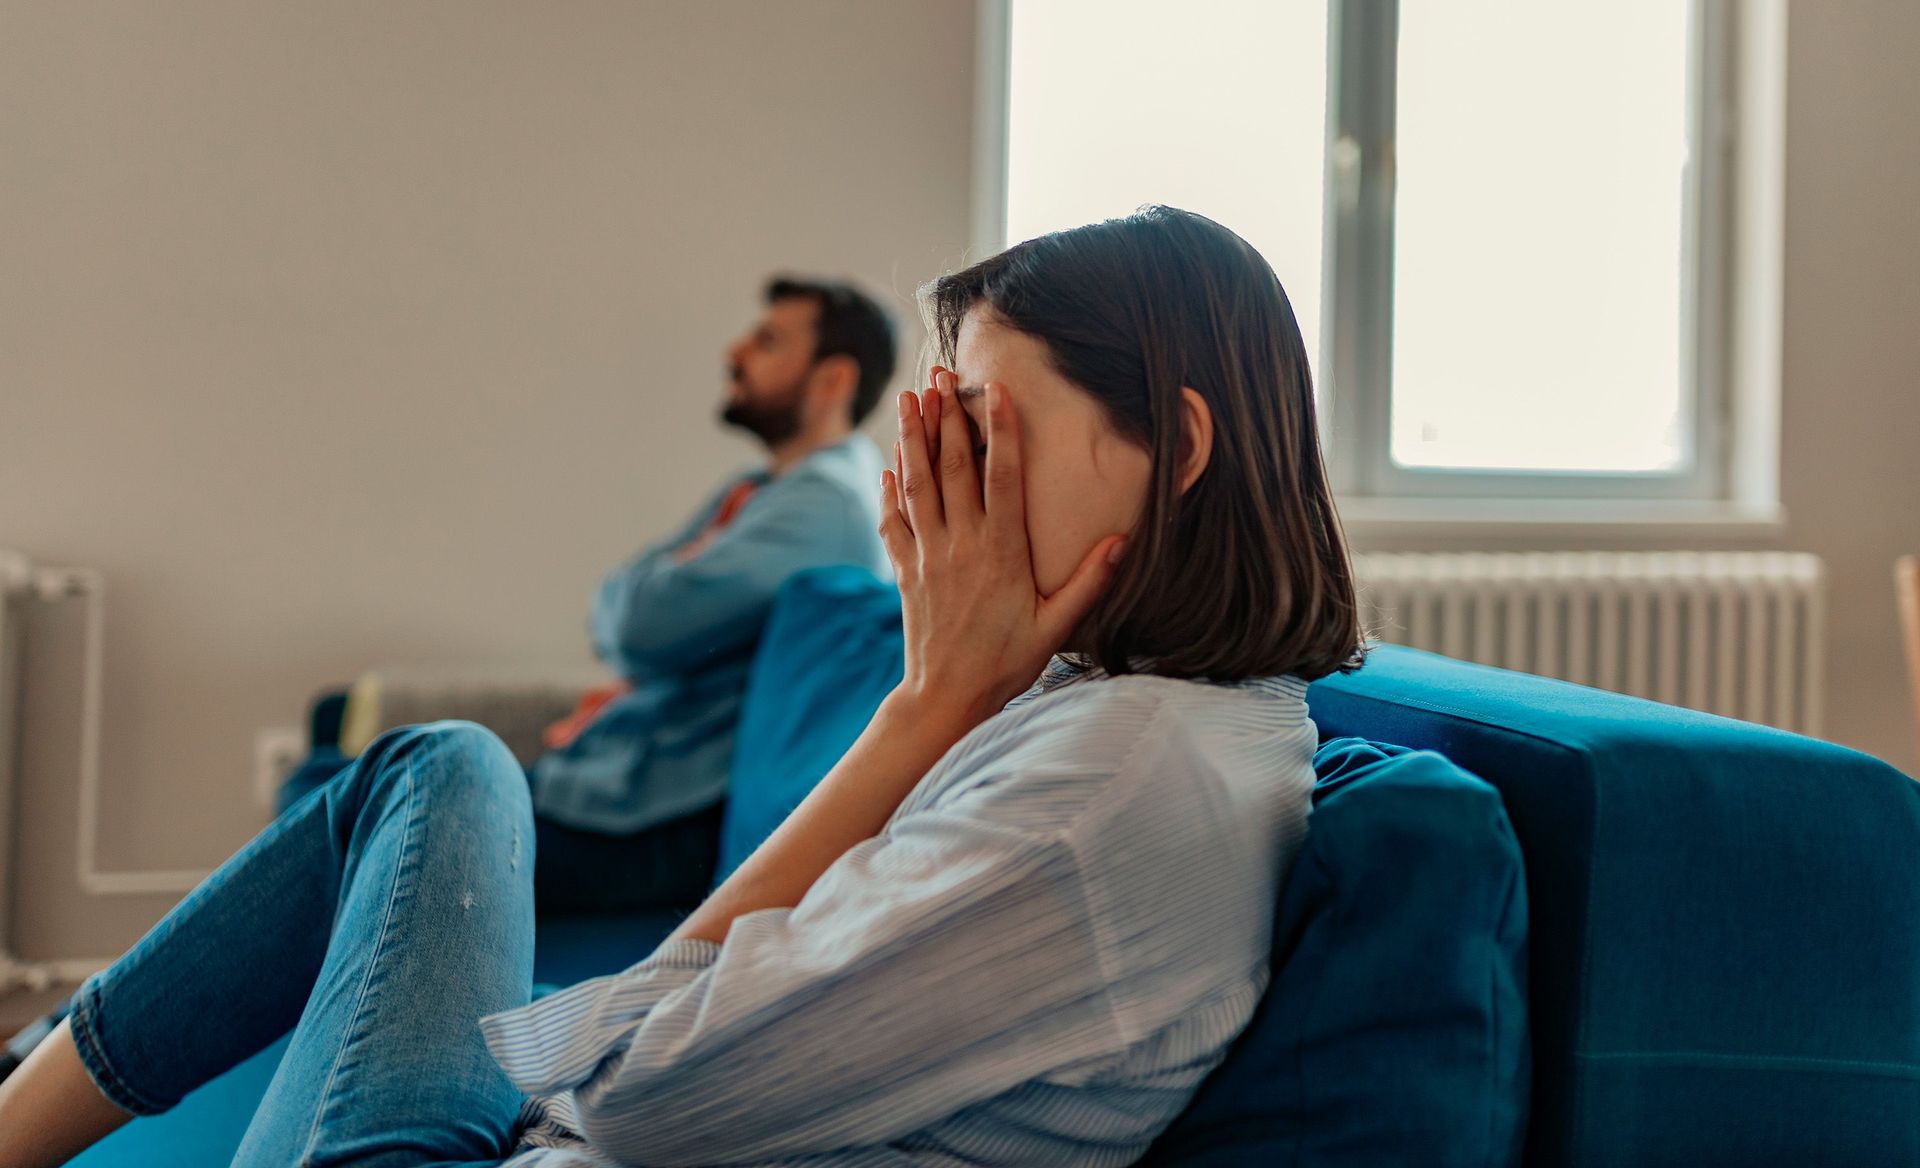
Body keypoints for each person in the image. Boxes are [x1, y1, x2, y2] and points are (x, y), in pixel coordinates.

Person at [0, 206, 1364, 1168]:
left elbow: (628, 1094)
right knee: (438, 771)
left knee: (438, 775)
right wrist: (944, 700)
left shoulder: (1108, 786)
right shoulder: (1131, 715)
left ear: (1174, 446)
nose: (941, 489)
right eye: (936, 438)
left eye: (984, 434)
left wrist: (925, 712)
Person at [528, 275, 897, 914]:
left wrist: (652, 591)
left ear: (831, 380)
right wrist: (646, 597)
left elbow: (639, 623)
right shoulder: (760, 490)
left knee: (387, 813)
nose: (735, 352)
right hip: (628, 790)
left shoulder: (824, 505)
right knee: (363, 789)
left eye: (767, 341)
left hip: (659, 817)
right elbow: (620, 610)